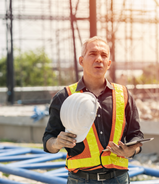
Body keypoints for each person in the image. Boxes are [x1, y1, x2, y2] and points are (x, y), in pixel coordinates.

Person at [43, 36, 144, 184]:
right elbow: (48, 141)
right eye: (92, 54)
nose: (99, 59)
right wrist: (57, 143)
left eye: (104, 55)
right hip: (81, 179)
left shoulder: (124, 95)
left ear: (108, 64)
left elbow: (136, 136)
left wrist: (132, 150)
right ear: (81, 61)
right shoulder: (65, 97)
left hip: (118, 179)